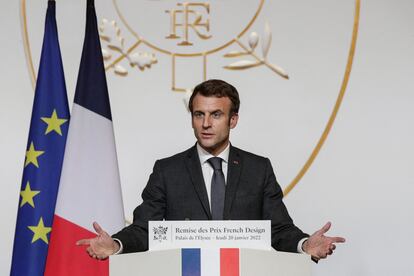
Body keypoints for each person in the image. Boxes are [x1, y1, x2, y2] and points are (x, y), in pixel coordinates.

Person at [77, 79, 345, 261]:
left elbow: (279, 229)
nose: (205, 123)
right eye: (198, 114)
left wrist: (305, 244)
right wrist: (116, 244)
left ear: (233, 120)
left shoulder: (258, 169)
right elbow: (145, 229)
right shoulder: (167, 170)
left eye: (216, 114)